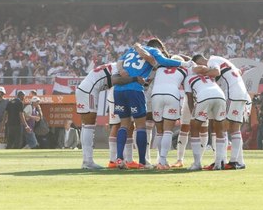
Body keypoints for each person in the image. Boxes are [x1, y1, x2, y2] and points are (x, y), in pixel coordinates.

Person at [113, 39, 192, 169]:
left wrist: (121, 69)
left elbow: (119, 62)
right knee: (141, 126)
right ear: (159, 47)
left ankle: (119, 159)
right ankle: (143, 162)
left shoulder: (131, 50)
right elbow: (164, 61)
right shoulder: (154, 51)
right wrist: (184, 63)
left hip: (119, 89)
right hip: (135, 89)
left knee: (124, 125)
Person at [193, 53, 250, 169]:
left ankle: (222, 161)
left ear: (200, 62)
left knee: (222, 127)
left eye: (200, 66)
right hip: (242, 93)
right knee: (235, 129)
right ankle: (238, 161)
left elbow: (216, 72)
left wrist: (201, 73)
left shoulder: (212, 61)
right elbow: (238, 71)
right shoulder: (224, 60)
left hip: (232, 93)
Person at [76, 62, 124, 169]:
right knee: (89, 125)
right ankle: (88, 161)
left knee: (86, 125)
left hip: (84, 89)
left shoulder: (114, 65)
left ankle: (86, 160)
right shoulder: (118, 68)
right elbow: (116, 80)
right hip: (89, 91)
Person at [184, 67, 227, 170]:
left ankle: (197, 163)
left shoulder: (188, 79)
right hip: (220, 96)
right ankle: (218, 163)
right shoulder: (209, 75)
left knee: (194, 128)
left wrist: (193, 116)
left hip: (205, 96)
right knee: (219, 129)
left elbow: (189, 99)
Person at [150, 55, 188, 169]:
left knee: (159, 131)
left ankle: (160, 161)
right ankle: (162, 160)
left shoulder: (160, 67)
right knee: (168, 131)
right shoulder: (184, 70)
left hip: (155, 95)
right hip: (172, 94)